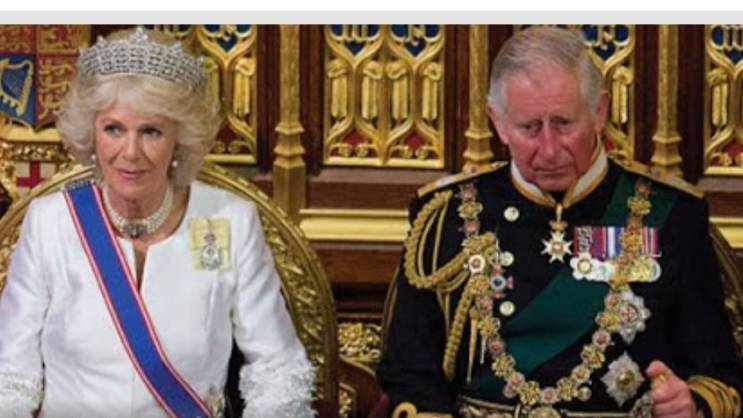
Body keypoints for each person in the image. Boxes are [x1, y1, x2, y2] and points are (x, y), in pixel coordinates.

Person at [377, 26, 742, 418]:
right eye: (529, 128)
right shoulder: (445, 217)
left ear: (599, 111)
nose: (549, 149)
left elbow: (718, 371)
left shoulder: (671, 215)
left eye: (564, 124)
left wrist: (691, 404)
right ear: (498, 123)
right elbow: (408, 374)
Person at [0, 28, 315, 418]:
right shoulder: (50, 222)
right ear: (91, 134)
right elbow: (8, 377)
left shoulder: (229, 222)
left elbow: (278, 370)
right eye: (113, 129)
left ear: (179, 139)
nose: (130, 152)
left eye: (151, 131)